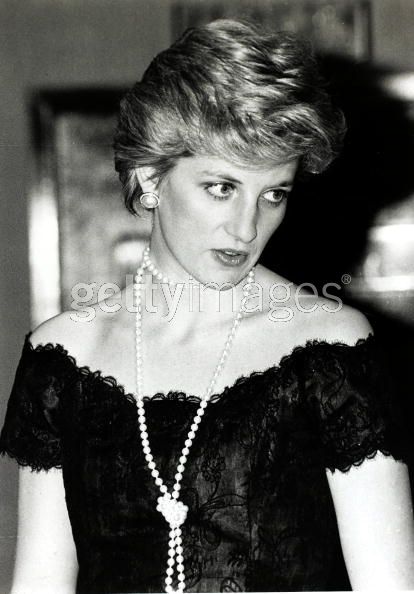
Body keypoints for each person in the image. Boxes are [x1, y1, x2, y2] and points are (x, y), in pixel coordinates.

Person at [1, 18, 414, 594]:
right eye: (221, 187)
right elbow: (39, 583)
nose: (246, 227)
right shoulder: (61, 357)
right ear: (150, 178)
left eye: (273, 194)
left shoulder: (330, 350)